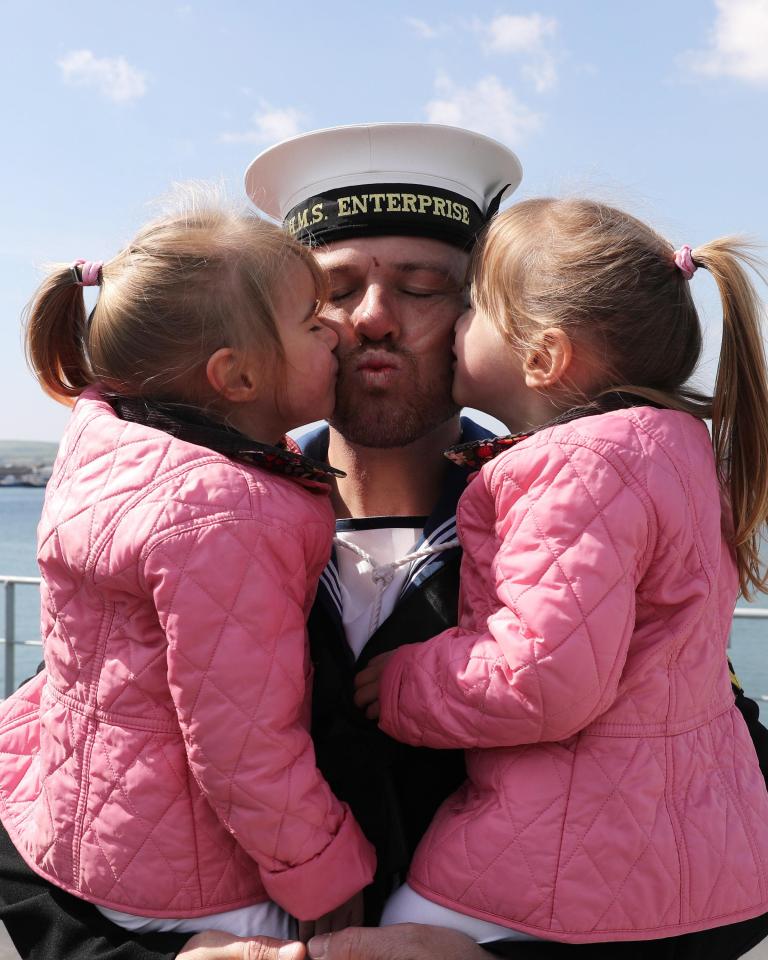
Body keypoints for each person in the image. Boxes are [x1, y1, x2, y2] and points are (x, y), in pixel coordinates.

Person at [0, 124, 767, 960]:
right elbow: (54, 774)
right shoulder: (189, 523)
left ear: (500, 324)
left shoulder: (578, 530)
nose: (371, 319)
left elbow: (716, 807)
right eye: (330, 290)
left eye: (424, 285)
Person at [352, 198, 768, 945]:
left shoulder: (573, 470)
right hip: (698, 858)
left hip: (559, 860)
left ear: (542, 357)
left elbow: (542, 676)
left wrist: (406, 680)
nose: (453, 328)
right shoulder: (669, 454)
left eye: (455, 300)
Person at [0, 199, 375, 943]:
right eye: (312, 319)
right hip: (192, 878)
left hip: (88, 836)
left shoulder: (111, 454)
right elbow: (244, 742)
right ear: (235, 377)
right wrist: (325, 875)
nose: (340, 328)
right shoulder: (227, 515)